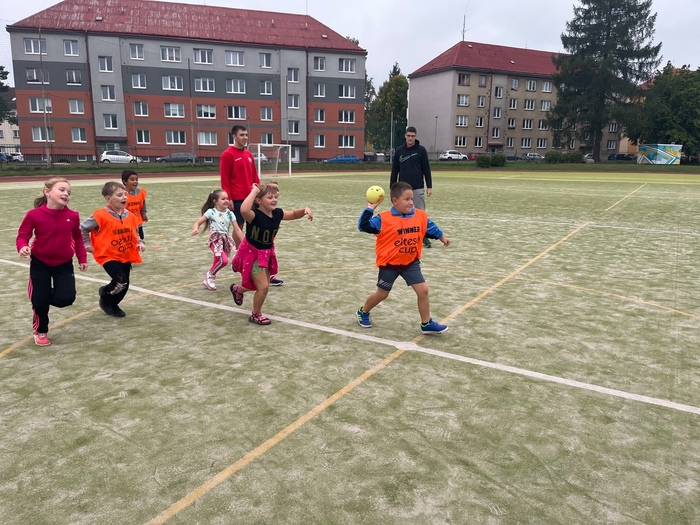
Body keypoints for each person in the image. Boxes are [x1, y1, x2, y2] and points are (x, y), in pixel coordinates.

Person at [356, 181, 450, 335]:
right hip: (389, 264)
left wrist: (441, 237)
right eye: (406, 199)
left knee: (423, 291)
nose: (411, 202)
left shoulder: (420, 215)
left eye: (411, 199)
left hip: (410, 262)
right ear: (395, 201)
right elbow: (363, 226)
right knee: (382, 294)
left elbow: (429, 227)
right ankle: (363, 311)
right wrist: (369, 209)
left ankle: (426, 324)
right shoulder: (383, 219)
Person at [16, 177, 89, 346]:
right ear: (47, 192)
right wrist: (22, 246)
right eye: (62, 190)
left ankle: (40, 297)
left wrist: (82, 258)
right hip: (40, 263)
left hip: (64, 264)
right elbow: (23, 235)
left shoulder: (73, 215)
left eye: (69, 192)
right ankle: (41, 330)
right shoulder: (34, 215)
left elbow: (78, 238)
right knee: (40, 301)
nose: (66, 194)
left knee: (66, 299)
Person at [230, 182, 313, 325]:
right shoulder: (253, 215)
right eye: (270, 197)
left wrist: (305, 210)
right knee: (263, 287)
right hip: (252, 255)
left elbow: (293, 214)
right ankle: (255, 314)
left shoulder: (277, 213)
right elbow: (243, 210)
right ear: (258, 200)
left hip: (265, 253)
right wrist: (254, 191)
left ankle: (238, 289)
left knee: (261, 284)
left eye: (276, 197)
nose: (274, 200)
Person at [220, 125, 283, 286]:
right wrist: (229, 198)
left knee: (260, 228)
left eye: (246, 135)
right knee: (239, 227)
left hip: (252, 197)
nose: (245, 138)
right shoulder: (228, 154)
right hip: (238, 199)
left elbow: (255, 176)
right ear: (234, 136)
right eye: (242, 135)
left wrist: (260, 193)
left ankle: (264, 268)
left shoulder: (248, 154)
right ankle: (240, 256)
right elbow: (224, 178)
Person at [80, 181, 145, 317]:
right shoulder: (99, 215)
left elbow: (135, 231)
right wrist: (86, 243)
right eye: (119, 195)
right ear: (108, 198)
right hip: (107, 255)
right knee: (121, 280)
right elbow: (82, 228)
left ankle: (113, 303)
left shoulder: (130, 216)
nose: (124, 197)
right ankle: (105, 296)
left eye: (125, 194)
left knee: (125, 284)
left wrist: (139, 242)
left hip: (125, 254)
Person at [390, 126, 434, 248]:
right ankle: (401, 237)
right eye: (408, 135)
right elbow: (394, 171)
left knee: (420, 214)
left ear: (415, 136)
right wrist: (392, 187)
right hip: (402, 189)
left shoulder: (421, 150)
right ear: (405, 136)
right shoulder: (399, 151)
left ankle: (424, 237)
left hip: (417, 187)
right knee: (401, 214)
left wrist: (429, 186)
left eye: (413, 136)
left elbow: (426, 169)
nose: (410, 138)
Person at [191, 189, 243, 290]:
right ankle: (210, 276)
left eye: (227, 198)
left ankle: (209, 279)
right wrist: (195, 229)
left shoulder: (230, 214)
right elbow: (198, 222)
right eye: (223, 199)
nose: (226, 201)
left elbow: (237, 229)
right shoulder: (211, 212)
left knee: (217, 261)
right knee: (223, 261)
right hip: (215, 239)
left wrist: (244, 242)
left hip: (225, 240)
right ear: (215, 201)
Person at [121, 169, 148, 241]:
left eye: (136, 179)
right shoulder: (121, 194)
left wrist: (143, 213)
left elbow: (143, 203)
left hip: (138, 222)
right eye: (132, 179)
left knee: (140, 240)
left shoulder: (140, 192)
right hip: (126, 224)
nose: (135, 181)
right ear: (125, 181)